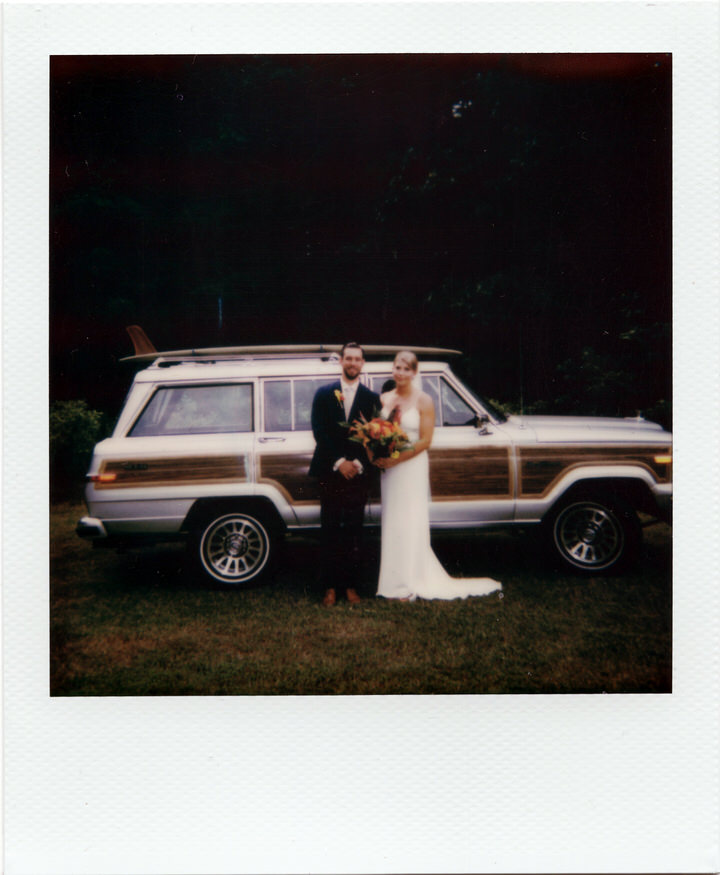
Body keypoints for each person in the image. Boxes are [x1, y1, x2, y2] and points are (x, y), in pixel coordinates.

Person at [371, 351, 502, 601]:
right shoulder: (385, 398)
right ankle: (393, 582)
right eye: (397, 367)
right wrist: (377, 453)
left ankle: (410, 582)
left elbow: (425, 441)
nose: (400, 372)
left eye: (406, 369)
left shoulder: (424, 400)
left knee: (411, 519)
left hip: (411, 466)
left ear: (414, 372)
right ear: (393, 369)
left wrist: (396, 458)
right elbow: (378, 431)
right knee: (393, 520)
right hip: (390, 470)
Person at [309, 343, 380, 606]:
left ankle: (351, 586)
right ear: (341, 361)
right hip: (330, 471)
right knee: (329, 528)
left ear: (363, 363)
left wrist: (357, 464)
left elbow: (375, 436)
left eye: (357, 359)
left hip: (358, 474)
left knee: (354, 530)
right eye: (348, 358)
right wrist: (339, 462)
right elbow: (319, 431)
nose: (352, 363)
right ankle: (329, 587)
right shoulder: (324, 393)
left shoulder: (372, 398)